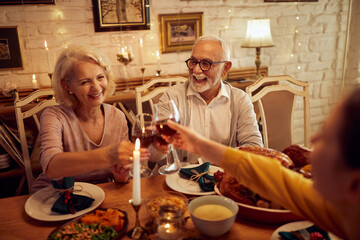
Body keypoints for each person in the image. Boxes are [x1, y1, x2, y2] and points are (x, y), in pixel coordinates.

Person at [166, 87, 360, 240]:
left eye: (326, 137)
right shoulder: (337, 204)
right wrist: (198, 144)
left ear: (354, 185)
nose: (312, 139)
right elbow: (269, 174)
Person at [32, 44, 149, 192]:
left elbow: (121, 171)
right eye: (85, 82)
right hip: (55, 195)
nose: (96, 87)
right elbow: (51, 167)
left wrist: (121, 176)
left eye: (100, 77)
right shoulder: (54, 116)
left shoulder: (117, 116)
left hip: (100, 193)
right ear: (67, 86)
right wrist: (108, 155)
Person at [152, 35, 263, 165]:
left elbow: (255, 148)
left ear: (225, 68)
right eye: (193, 62)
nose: (196, 70)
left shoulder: (239, 100)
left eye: (206, 63)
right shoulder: (172, 98)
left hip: (220, 180)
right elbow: (154, 157)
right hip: (180, 180)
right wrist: (159, 147)